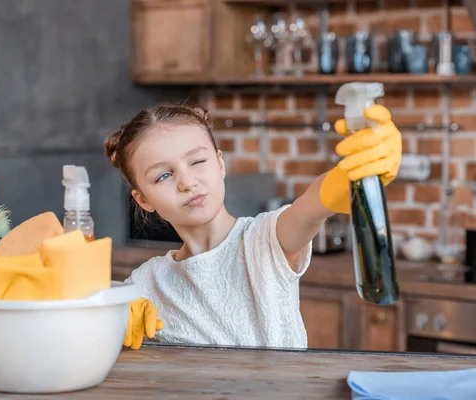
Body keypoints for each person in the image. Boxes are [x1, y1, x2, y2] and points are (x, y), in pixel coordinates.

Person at [104, 103, 402, 350]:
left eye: (197, 161)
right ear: (143, 199)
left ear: (220, 164)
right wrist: (110, 319)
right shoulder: (145, 284)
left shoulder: (263, 240)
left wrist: (348, 179)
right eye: (163, 176)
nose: (187, 182)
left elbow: (310, 207)